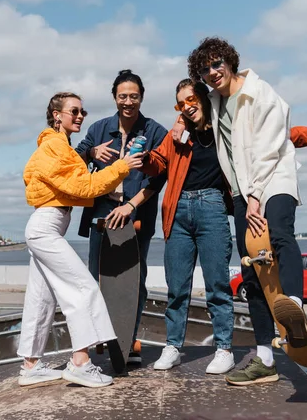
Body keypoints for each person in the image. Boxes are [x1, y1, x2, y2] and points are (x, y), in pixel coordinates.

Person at [186, 37, 307, 386]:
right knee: (252, 270)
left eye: (217, 65)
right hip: (243, 191)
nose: (212, 73)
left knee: (278, 233)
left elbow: (274, 145)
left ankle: (293, 307)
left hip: (274, 178)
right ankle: (264, 360)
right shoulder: (214, 100)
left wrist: (256, 195)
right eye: (205, 70)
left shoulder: (261, 93)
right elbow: (193, 113)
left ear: (230, 62)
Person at [17, 92, 143, 388]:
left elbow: (59, 181)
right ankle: (81, 363)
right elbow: (84, 187)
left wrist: (85, 156)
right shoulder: (54, 147)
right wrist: (122, 166)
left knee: (41, 296)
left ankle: (31, 365)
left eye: (82, 111)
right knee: (83, 288)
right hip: (45, 227)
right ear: (56, 115)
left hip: (46, 225)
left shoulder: (58, 148)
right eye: (74, 111)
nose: (80, 116)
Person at [132, 78, 235, 374]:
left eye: (191, 100)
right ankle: (173, 346)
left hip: (212, 206)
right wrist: (144, 158)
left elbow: (267, 136)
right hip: (177, 210)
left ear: (203, 98)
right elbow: (159, 164)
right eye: (181, 104)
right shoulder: (177, 135)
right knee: (177, 287)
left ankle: (224, 349)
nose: (187, 107)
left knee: (217, 284)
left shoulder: (224, 126)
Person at [76, 69, 167, 362]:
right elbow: (74, 160)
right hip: (101, 211)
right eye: (122, 96)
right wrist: (91, 154)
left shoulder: (155, 131)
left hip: (136, 211)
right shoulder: (99, 129)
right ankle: (101, 338)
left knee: (133, 281)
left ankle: (129, 340)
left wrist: (132, 205)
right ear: (114, 97)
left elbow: (160, 177)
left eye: (134, 96)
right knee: (97, 278)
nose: (128, 101)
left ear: (142, 97)